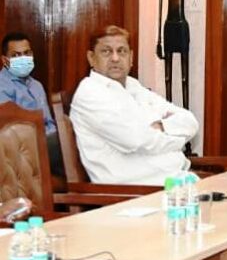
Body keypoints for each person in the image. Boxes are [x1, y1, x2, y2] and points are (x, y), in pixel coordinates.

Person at [70, 25, 198, 185]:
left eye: (122, 51)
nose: (115, 58)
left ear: (131, 57)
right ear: (91, 58)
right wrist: (178, 141)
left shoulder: (133, 86)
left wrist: (160, 126)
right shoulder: (90, 92)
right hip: (135, 192)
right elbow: (136, 140)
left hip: (176, 181)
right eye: (106, 51)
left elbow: (190, 121)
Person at [0, 32, 64, 177]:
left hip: (47, 142)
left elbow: (49, 123)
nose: (23, 58)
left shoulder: (37, 85)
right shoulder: (2, 86)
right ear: (4, 60)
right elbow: (9, 132)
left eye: (27, 53)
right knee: (68, 145)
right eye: (16, 55)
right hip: (23, 148)